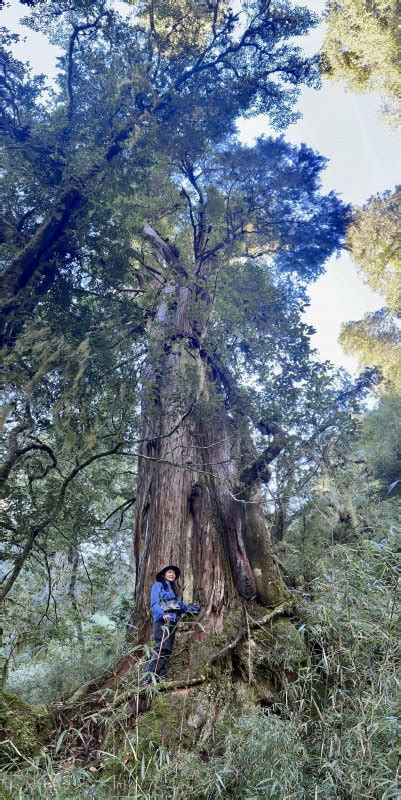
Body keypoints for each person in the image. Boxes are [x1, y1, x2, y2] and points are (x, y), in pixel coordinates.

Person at [140, 564, 200, 685]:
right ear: (164, 574)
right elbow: (155, 603)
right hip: (162, 621)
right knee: (162, 649)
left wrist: (197, 608)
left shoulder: (174, 592)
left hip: (172, 622)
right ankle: (146, 679)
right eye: (170, 572)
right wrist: (162, 614)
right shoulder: (158, 586)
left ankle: (158, 679)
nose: (172, 574)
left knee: (167, 651)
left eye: (174, 573)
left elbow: (182, 607)